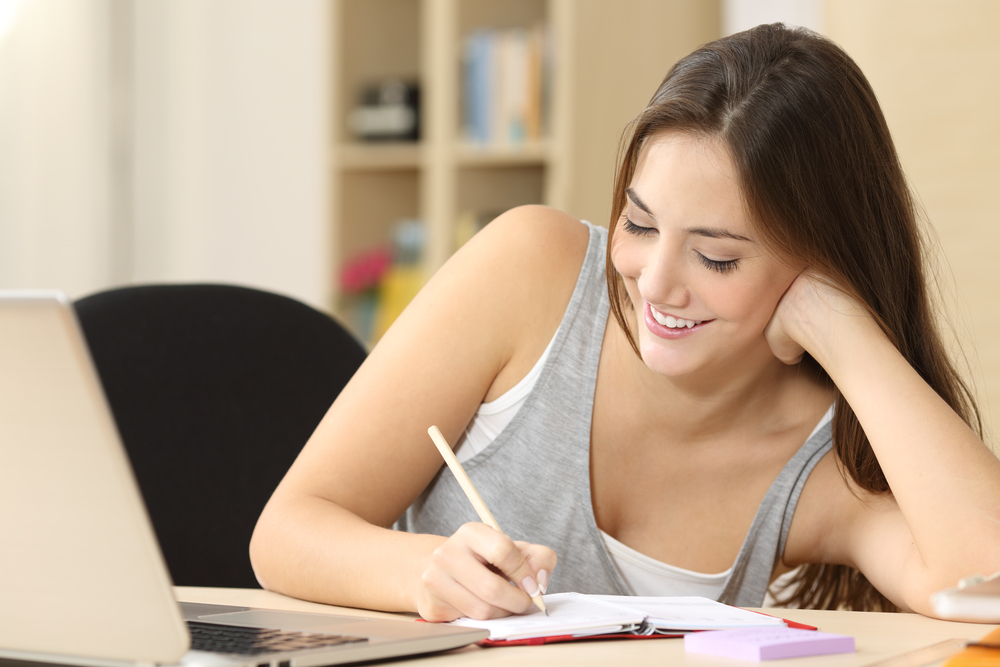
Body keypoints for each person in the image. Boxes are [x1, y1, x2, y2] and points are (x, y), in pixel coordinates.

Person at [249, 23, 1000, 621]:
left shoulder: (817, 465)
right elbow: (287, 530)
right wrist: (421, 572)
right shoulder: (530, 271)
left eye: (716, 257)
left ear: (816, 264)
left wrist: (841, 326)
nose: (654, 282)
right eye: (640, 224)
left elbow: (987, 584)